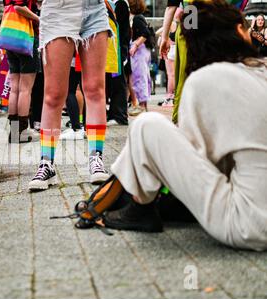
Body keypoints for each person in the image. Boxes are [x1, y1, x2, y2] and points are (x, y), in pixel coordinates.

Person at [101, 2, 267, 251]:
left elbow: (197, 159)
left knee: (147, 125)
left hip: (249, 224)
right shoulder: (261, 70)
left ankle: (139, 204)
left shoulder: (203, 81)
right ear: (239, 32)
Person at [28, 0, 112, 190]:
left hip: (94, 9)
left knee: (95, 89)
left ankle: (95, 158)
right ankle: (46, 163)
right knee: (54, 94)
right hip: (58, 9)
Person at [159, 0, 249, 123]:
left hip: (192, 27)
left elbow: (171, 8)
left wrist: (165, 37)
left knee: (187, 77)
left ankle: (183, 120)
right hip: (202, 28)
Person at [3, 0, 41, 144]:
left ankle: (13, 133)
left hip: (10, 37)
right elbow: (19, 7)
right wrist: (39, 19)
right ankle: (22, 133)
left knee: (15, 89)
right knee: (25, 90)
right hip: (26, 37)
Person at [107, 0, 131, 126]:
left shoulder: (120, 3)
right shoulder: (116, 3)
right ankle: (115, 113)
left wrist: (123, 51)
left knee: (117, 81)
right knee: (113, 81)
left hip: (117, 48)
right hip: (114, 48)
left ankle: (119, 115)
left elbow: (123, 30)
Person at [127, 0, 151, 116]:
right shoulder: (137, 17)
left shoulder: (137, 18)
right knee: (140, 76)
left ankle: (142, 105)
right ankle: (142, 105)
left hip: (139, 51)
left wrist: (135, 45)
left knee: (140, 77)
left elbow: (145, 34)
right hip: (140, 50)